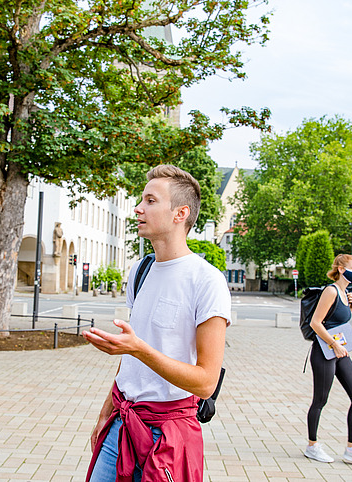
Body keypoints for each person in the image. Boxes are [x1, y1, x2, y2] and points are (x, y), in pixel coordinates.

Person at [82, 164, 232, 482]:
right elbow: (130, 361)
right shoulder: (140, 270)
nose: (138, 208)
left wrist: (139, 350)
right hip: (120, 427)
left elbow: (205, 382)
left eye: (150, 201)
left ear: (180, 213)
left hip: (167, 437)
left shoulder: (207, 281)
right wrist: (105, 414)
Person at [303, 254, 352, 467]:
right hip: (324, 352)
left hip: (340, 352)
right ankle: (312, 446)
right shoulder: (331, 290)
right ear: (342, 269)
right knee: (320, 400)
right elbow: (316, 323)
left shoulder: (346, 294)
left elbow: (338, 321)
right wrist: (334, 344)